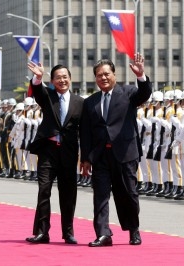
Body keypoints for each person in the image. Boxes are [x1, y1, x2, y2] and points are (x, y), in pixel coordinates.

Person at [80, 53, 152, 247]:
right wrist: (85, 158)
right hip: (100, 155)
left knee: (128, 194)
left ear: (114, 74)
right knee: (100, 195)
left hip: (125, 153)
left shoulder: (128, 93)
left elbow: (144, 94)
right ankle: (104, 233)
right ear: (95, 78)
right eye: (99, 75)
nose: (103, 78)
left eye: (106, 74)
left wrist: (141, 76)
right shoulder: (90, 102)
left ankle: (133, 230)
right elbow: (85, 132)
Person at [25, 62, 84, 244]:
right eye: (58, 77)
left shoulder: (80, 103)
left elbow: (85, 131)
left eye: (65, 77)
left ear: (70, 79)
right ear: (52, 81)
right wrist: (38, 78)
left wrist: (86, 157)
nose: (62, 80)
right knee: (44, 191)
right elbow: (36, 90)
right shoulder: (47, 96)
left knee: (68, 194)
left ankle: (68, 232)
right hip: (48, 152)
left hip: (68, 153)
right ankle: (42, 232)